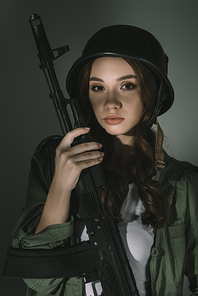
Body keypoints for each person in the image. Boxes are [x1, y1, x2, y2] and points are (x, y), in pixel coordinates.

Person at [12, 25, 198, 296]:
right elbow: (40, 282)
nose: (111, 102)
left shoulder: (185, 185)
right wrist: (61, 186)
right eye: (97, 87)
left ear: (154, 96)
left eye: (127, 85)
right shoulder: (52, 164)